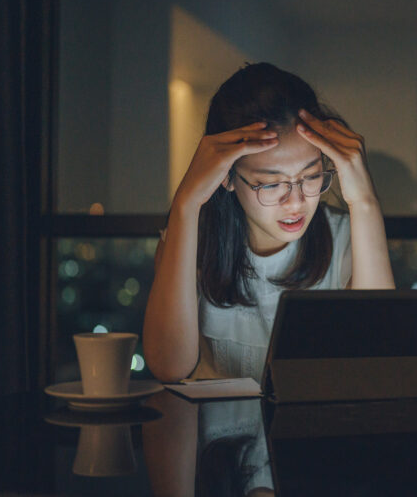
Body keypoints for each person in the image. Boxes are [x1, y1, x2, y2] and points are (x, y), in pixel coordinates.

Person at [143, 62, 395, 383]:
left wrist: (365, 202)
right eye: (271, 184)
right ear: (227, 178)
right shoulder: (189, 239)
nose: (295, 202)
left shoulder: (346, 237)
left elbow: (381, 359)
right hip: (213, 434)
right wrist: (186, 203)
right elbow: (168, 366)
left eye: (311, 176)